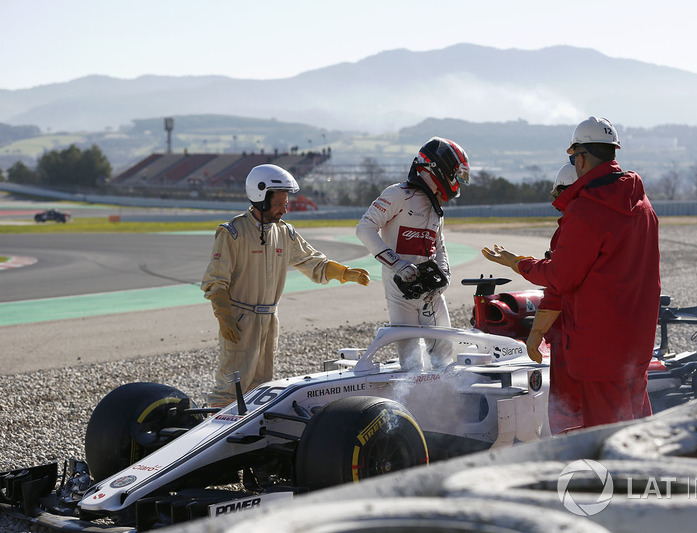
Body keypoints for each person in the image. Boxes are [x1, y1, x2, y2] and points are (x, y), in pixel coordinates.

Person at [482, 116, 661, 429]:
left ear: (581, 157)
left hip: (600, 348)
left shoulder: (586, 208)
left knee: (607, 440)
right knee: (640, 431)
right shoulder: (642, 204)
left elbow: (561, 279)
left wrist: (518, 264)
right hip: (637, 342)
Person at [201, 164, 370, 407]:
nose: (285, 209)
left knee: (262, 387)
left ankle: (251, 436)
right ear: (260, 198)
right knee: (230, 389)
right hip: (240, 321)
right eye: (280, 204)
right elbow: (216, 282)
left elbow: (313, 261)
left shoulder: (285, 233)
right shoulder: (233, 233)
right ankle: (210, 434)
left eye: (286, 203)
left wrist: (344, 273)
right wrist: (224, 316)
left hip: (270, 319)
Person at [356, 137, 469, 371]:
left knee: (444, 358)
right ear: (439, 167)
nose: (457, 181)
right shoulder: (398, 194)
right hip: (399, 291)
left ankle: (446, 404)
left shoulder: (437, 209)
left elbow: (440, 247)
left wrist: (444, 278)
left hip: (432, 292)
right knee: (410, 364)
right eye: (455, 174)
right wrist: (397, 264)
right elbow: (364, 228)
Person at [525, 163, 582, 434]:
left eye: (557, 192)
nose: (554, 200)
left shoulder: (571, 227)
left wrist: (537, 331)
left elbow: (557, 285)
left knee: (567, 413)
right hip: (602, 334)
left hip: (570, 338)